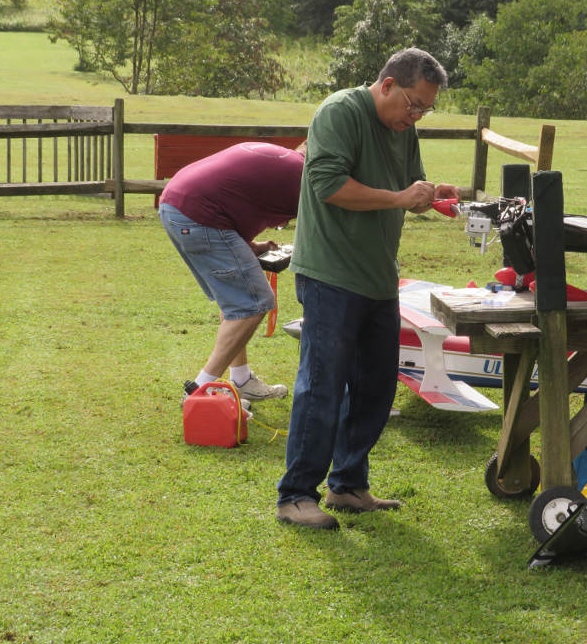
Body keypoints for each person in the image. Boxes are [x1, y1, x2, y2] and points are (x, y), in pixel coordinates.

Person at [276, 48, 459, 530]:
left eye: (426, 109)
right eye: (413, 104)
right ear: (387, 85)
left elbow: (406, 190)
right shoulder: (339, 112)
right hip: (330, 273)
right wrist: (401, 197)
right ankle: (296, 495)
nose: (415, 116)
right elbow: (328, 185)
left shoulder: (404, 129)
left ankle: (348, 485)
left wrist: (428, 197)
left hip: (378, 276)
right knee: (322, 385)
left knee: (376, 386)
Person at [158, 141, 305, 406]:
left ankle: (241, 379)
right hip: (197, 214)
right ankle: (200, 390)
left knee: (237, 300)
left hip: (176, 204)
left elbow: (231, 199)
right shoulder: (303, 174)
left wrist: (250, 247)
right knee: (253, 303)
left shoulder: (280, 160)